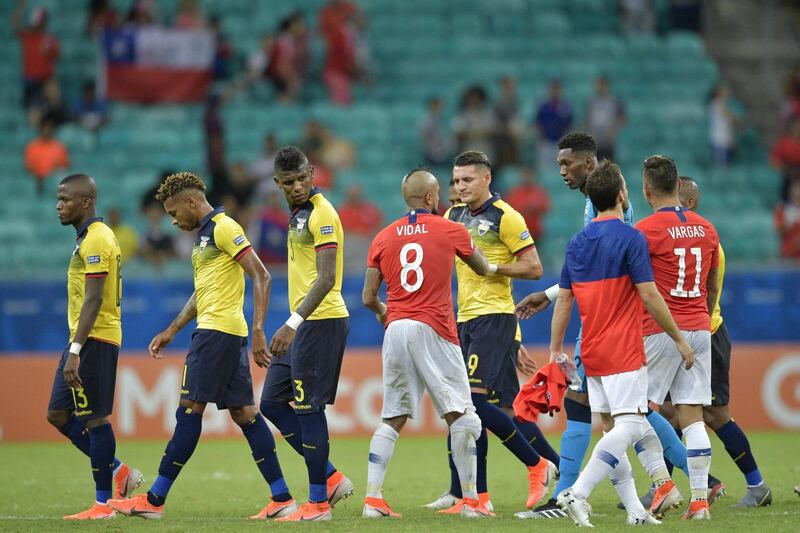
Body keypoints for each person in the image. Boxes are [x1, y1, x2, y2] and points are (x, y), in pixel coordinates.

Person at [514, 132, 696, 519]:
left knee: (613, 418)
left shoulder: (603, 228)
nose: (561, 169)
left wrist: (554, 339)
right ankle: (654, 489)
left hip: (607, 335)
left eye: (567, 163)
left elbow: (587, 285)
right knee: (623, 420)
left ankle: (572, 493)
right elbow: (589, 285)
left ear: (590, 164)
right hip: (608, 335)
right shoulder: (609, 224)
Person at [107, 172, 295, 520]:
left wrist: (258, 330)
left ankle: (154, 500)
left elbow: (262, 275)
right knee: (245, 414)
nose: (173, 220)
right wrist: (172, 329)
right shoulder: (203, 237)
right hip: (221, 333)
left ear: (192, 202)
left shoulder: (224, 227)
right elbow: (202, 293)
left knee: (189, 409)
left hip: (217, 335)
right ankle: (282, 497)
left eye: (174, 212)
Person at [427, 151, 557, 514]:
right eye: (455, 180)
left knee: (473, 404)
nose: (460, 186)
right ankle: (474, 496)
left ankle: (537, 465)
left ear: (487, 178)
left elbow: (534, 267)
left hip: (494, 317)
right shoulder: (452, 215)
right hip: (466, 320)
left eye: (467, 179)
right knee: (492, 410)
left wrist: (492, 266)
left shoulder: (507, 217)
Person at [361, 169, 492, 518]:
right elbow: (482, 268)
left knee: (392, 416)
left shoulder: (383, 236)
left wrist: (386, 312)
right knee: (463, 415)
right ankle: (471, 502)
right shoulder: (451, 229)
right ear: (433, 198)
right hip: (435, 328)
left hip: (397, 328)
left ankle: (373, 499)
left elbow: (368, 297)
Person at [259, 146, 354, 522]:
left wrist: (292, 323)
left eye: (302, 178)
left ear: (312, 172)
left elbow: (327, 278)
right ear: (277, 183)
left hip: (320, 321)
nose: (297, 186)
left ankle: (317, 504)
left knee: (307, 407)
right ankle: (330, 477)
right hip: (303, 321)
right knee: (271, 403)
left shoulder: (322, 213)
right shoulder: (297, 214)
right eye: (288, 182)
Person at [48, 174, 142, 519]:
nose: (59, 206)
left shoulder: (98, 239)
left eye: (65, 200)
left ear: (86, 202)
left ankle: (104, 505)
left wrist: (75, 349)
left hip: (94, 338)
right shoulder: (86, 238)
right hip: (80, 338)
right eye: (58, 200)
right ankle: (119, 473)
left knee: (95, 419)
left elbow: (94, 298)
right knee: (58, 413)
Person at [675, 177, 772, 507]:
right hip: (686, 337)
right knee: (670, 413)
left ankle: (757, 485)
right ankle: (665, 483)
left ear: (688, 204)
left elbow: (702, 296)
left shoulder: (705, 243)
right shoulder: (691, 240)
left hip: (707, 336)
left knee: (716, 416)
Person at [636, 155, 721, 520]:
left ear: (647, 189)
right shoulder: (707, 228)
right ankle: (699, 501)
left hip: (659, 330)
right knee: (693, 416)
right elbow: (713, 283)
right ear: (677, 187)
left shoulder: (646, 230)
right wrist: (702, 313)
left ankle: (662, 485)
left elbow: (638, 285)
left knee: (634, 409)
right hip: (700, 326)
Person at [12, 0, 60, 109]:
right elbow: (15, 22)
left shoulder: (50, 38)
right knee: (34, 107)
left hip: (46, 78)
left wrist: (50, 50)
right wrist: (21, 6)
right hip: (31, 79)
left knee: (55, 99)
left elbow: (58, 56)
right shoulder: (28, 36)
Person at [534, 79, 572, 172]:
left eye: (557, 89)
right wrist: (541, 137)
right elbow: (537, 123)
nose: (555, 91)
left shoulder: (565, 107)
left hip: (560, 144)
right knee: (544, 170)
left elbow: (570, 125)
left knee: (561, 171)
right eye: (553, 88)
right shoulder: (543, 106)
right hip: (545, 143)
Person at [24, 118, 70, 195]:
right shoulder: (32, 146)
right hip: (36, 179)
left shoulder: (59, 147)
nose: (47, 131)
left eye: (49, 129)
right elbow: (28, 166)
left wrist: (50, 175)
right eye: (45, 128)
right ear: (40, 130)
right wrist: (39, 176)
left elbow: (64, 166)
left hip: (53, 180)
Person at [585, 75, 626, 161]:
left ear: (607, 86)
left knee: (608, 169)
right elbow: (587, 121)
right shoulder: (592, 102)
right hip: (595, 142)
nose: (600, 87)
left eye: (602, 85)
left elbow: (623, 118)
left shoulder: (614, 101)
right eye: (598, 85)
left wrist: (613, 130)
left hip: (608, 142)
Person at [504, 166, 550, 240]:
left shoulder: (539, 192)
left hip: (535, 232)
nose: (527, 178)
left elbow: (545, 208)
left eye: (529, 175)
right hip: (518, 231)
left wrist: (533, 209)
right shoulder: (514, 193)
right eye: (525, 175)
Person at [452, 86, 496, 163]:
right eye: (472, 98)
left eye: (477, 98)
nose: (474, 101)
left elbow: (493, 132)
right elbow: (459, 134)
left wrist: (471, 133)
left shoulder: (487, 114)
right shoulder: (463, 114)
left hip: (486, 153)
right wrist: (480, 134)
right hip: (469, 153)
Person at [708, 84, 738, 167]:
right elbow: (728, 116)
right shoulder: (716, 104)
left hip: (725, 139)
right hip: (720, 140)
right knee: (722, 167)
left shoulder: (723, 104)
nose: (727, 92)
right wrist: (737, 121)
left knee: (726, 166)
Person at [420, 97, 454, 167]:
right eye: (436, 106)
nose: (439, 109)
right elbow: (425, 137)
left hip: (444, 152)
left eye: (440, 107)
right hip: (431, 152)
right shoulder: (427, 122)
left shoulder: (444, 121)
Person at [775, 179, 800, 258]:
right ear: (790, 191)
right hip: (789, 255)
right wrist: (790, 223)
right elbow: (778, 230)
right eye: (795, 188)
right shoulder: (783, 208)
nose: (798, 192)